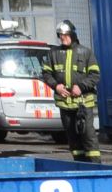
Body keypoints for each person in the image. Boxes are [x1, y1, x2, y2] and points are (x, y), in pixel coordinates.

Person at [43, 20, 100, 163]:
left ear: (73, 35)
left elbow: (95, 75)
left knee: (88, 135)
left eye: (66, 35)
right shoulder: (54, 53)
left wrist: (81, 87)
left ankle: (95, 167)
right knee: (72, 138)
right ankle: (79, 165)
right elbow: (46, 74)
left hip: (83, 104)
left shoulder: (86, 52)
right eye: (60, 35)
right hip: (65, 105)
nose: (63, 38)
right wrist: (56, 86)